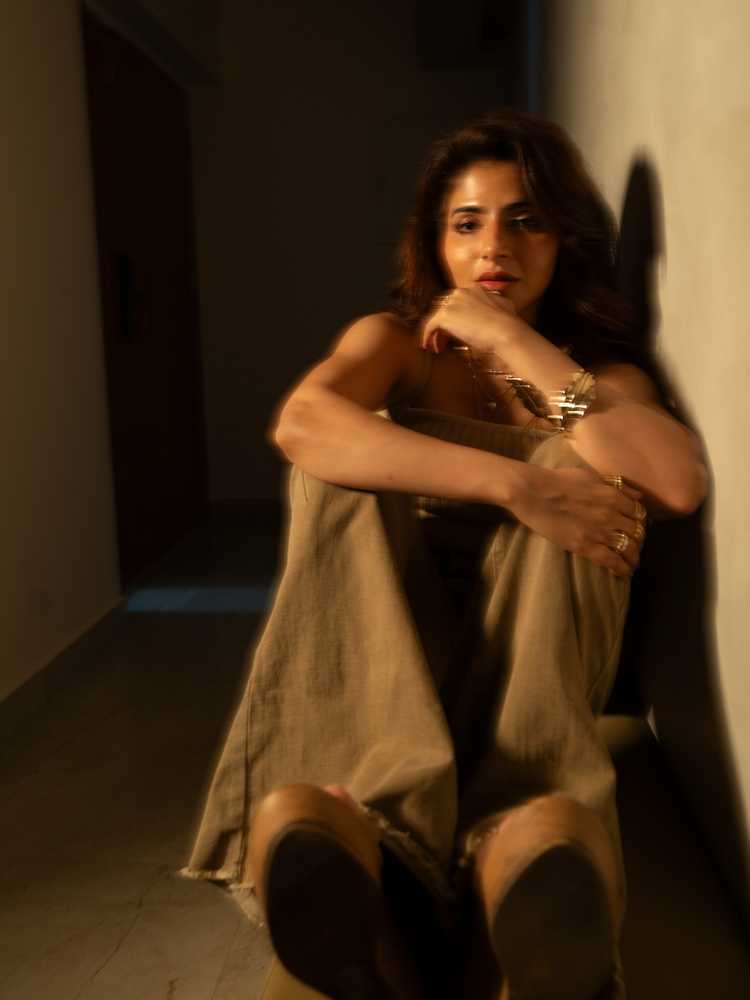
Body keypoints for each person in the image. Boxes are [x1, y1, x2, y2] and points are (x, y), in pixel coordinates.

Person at [179, 109, 707, 999]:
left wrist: (511, 341)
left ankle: (517, 841)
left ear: (564, 240)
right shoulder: (397, 347)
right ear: (436, 243)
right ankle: (379, 835)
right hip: (396, 668)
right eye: (468, 223)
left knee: (580, 463)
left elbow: (675, 484)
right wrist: (514, 486)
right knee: (338, 467)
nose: (495, 245)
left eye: (526, 220)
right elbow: (303, 423)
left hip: (534, 671)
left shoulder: (598, 377)